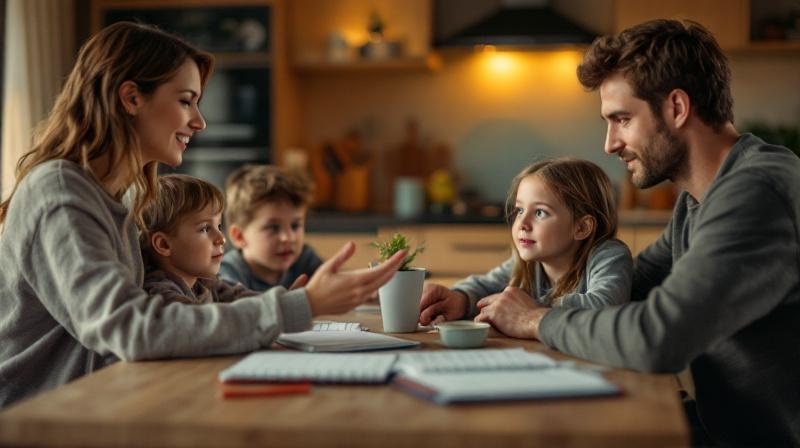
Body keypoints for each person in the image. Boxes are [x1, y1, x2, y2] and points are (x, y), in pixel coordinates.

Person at [0, 21, 405, 409]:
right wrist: (299, 306)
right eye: (185, 101)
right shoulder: (60, 193)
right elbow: (131, 328)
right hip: (40, 420)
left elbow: (182, 291)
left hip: (100, 404)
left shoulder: (115, 197)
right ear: (131, 98)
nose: (199, 121)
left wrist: (296, 302)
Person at [452, 19, 800, 446]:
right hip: (722, 426)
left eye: (621, 119)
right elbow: (625, 283)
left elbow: (657, 338)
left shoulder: (754, 191)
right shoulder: (700, 200)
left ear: (676, 107)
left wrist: (534, 319)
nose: (610, 144)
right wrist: (468, 297)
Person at [419, 157, 632, 324]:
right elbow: (487, 285)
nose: (522, 223)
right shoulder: (529, 264)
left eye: (540, 212)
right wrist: (460, 298)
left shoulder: (608, 256)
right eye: (520, 210)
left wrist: (528, 310)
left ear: (582, 227)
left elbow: (606, 307)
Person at [140, 174, 286, 304]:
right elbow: (197, 321)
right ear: (164, 244)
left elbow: (241, 299)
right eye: (205, 229)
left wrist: (284, 303)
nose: (222, 239)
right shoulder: (161, 295)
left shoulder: (204, 282)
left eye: (219, 226)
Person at [219, 164, 322, 291]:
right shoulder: (228, 273)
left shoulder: (305, 259)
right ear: (239, 236)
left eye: (295, 226)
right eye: (273, 228)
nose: (288, 237)